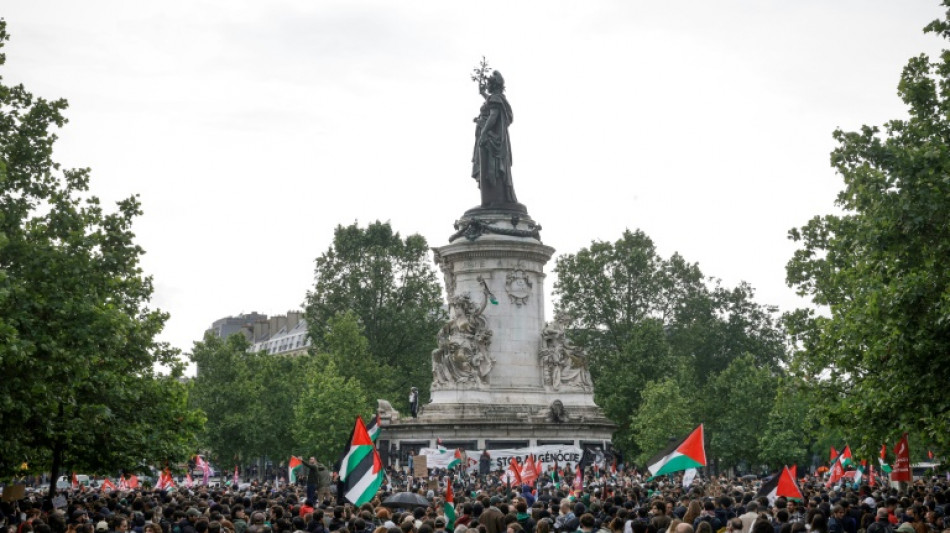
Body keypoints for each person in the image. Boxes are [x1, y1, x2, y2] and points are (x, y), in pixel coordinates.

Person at [471, 70, 518, 209]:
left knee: (493, 167)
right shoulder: (497, 98)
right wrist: (483, 94)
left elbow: (493, 116)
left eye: (488, 84)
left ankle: (493, 198)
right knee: (492, 167)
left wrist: (484, 132)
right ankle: (492, 198)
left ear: (494, 85)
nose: (487, 86)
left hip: (492, 140)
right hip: (491, 138)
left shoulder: (496, 99)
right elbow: (491, 103)